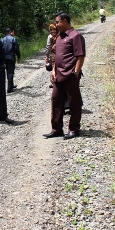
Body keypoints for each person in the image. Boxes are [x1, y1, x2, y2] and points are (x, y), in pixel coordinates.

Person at [43, 12, 85, 140]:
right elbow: (57, 57)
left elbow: (80, 56)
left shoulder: (75, 36)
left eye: (57, 22)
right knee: (56, 101)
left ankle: (74, 129)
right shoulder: (59, 37)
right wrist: (54, 70)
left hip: (70, 75)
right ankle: (56, 129)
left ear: (65, 21)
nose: (56, 24)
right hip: (58, 75)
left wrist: (76, 72)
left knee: (74, 103)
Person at [1, 28, 21, 93]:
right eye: (13, 32)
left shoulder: (2, 40)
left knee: (5, 72)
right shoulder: (13, 39)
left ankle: (11, 85)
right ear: (11, 32)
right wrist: (19, 57)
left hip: (3, 58)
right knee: (10, 72)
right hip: (11, 57)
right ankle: (9, 88)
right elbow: (16, 49)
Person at [45, 23, 58, 87]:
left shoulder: (59, 35)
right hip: (53, 55)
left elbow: (48, 47)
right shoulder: (51, 37)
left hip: (58, 54)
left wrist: (47, 56)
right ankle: (54, 81)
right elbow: (48, 47)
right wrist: (47, 57)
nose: (52, 31)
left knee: (55, 68)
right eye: (51, 30)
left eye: (54, 29)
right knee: (54, 67)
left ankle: (54, 81)